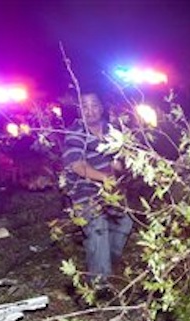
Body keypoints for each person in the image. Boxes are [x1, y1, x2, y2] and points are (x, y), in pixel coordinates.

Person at [61, 91, 133, 294]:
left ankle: (104, 263)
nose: (90, 110)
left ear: (101, 108)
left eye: (93, 105)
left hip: (110, 193)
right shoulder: (75, 133)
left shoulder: (112, 131)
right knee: (98, 226)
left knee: (125, 223)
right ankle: (100, 286)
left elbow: (118, 164)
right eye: (85, 106)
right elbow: (77, 165)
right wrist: (105, 178)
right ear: (80, 110)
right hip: (84, 193)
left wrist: (122, 163)